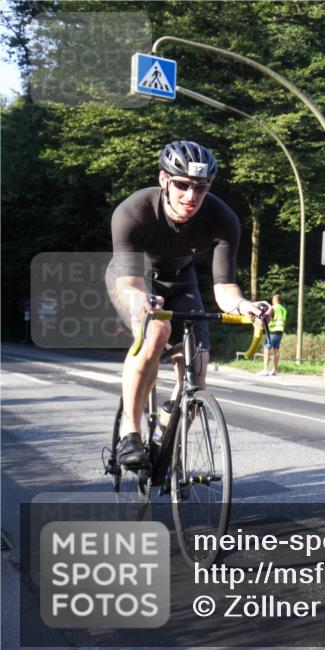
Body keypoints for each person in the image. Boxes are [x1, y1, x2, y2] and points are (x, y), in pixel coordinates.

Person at [107, 140, 272, 467]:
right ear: (164, 179)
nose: (191, 196)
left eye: (201, 187)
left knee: (197, 369)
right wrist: (141, 300)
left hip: (182, 279)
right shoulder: (133, 212)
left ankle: (166, 436)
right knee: (156, 332)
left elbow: (225, 288)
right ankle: (130, 432)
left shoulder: (222, 219)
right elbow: (130, 285)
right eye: (182, 185)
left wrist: (244, 306)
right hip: (134, 278)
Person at [259, 293, 287, 376]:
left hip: (272, 331)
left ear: (275, 300)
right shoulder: (284, 309)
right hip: (280, 331)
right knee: (276, 350)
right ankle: (274, 370)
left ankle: (265, 370)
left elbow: (267, 317)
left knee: (266, 349)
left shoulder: (273, 308)